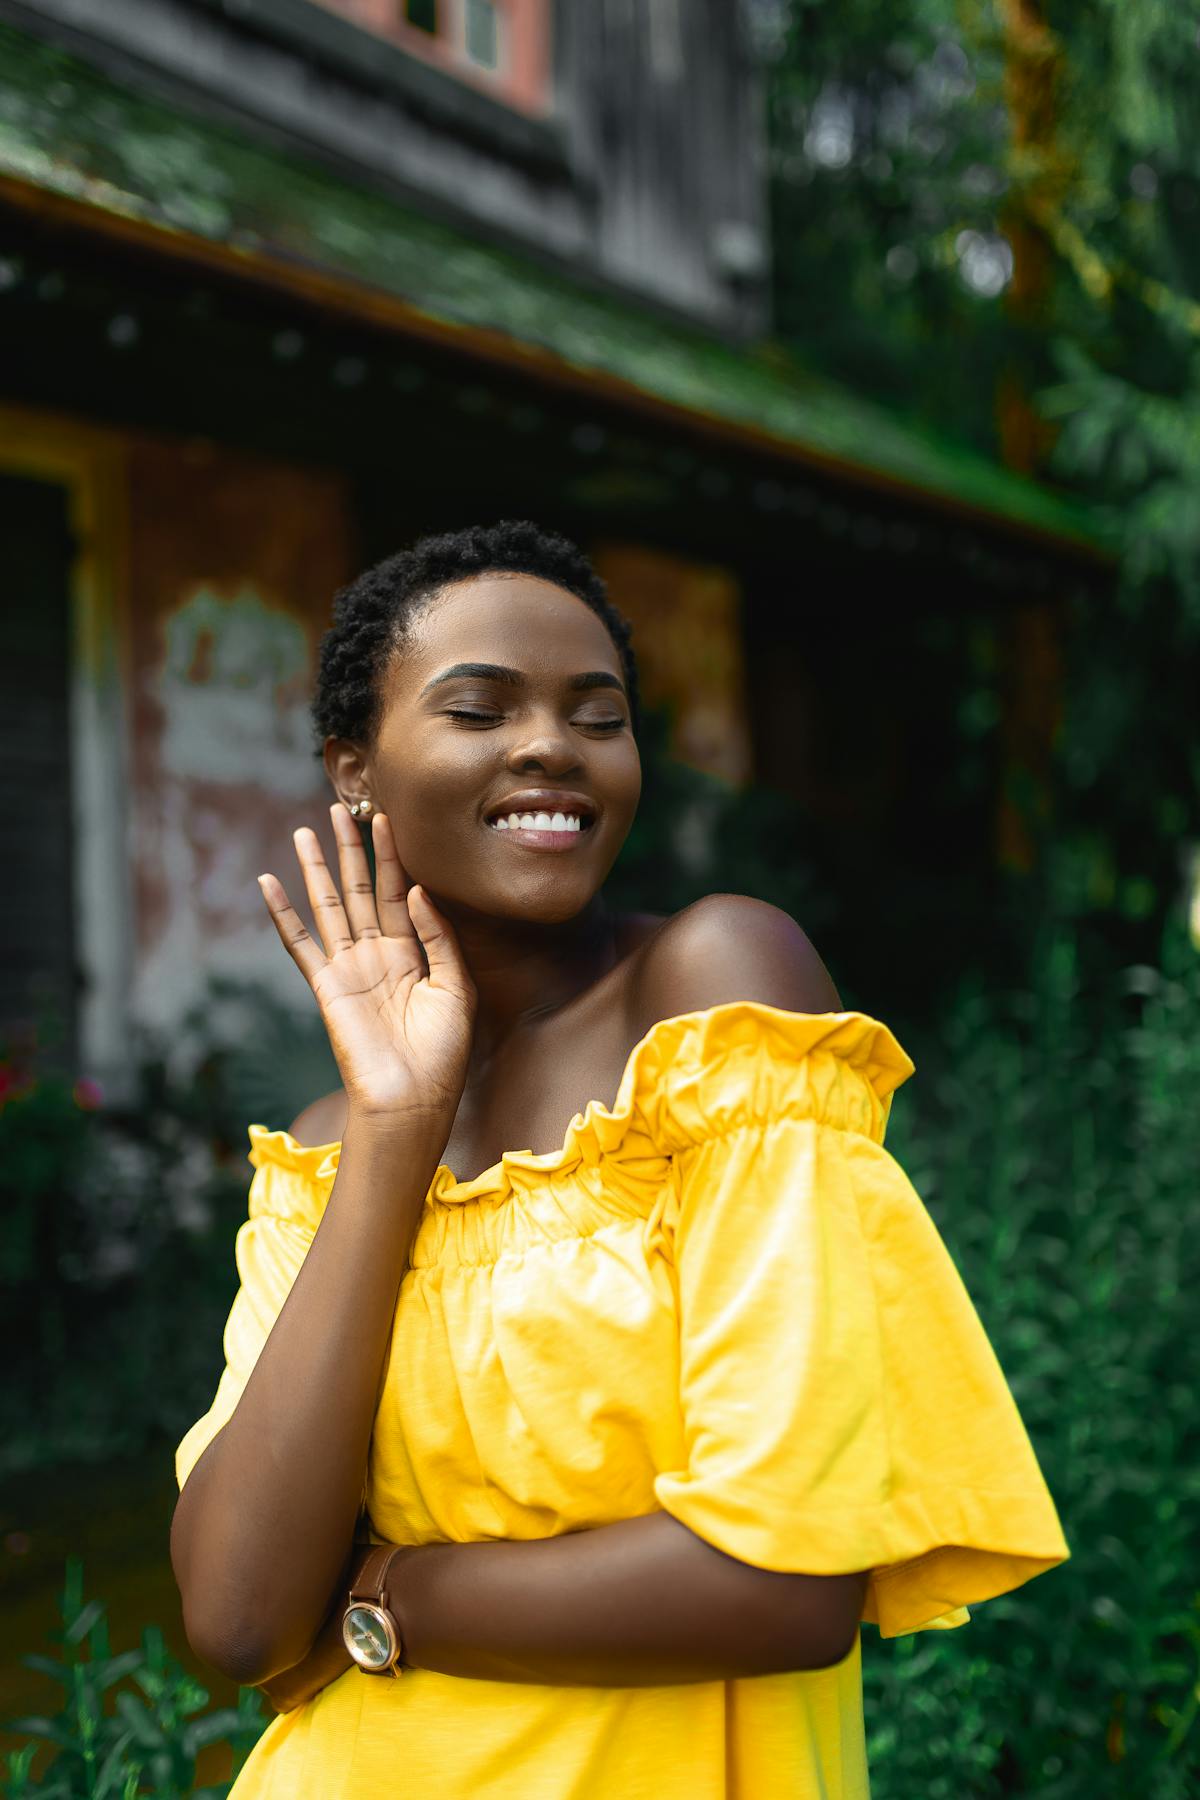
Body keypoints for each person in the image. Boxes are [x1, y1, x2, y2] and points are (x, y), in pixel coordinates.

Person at [169, 520, 1070, 1798]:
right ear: (355, 770)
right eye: (480, 708)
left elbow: (787, 1576)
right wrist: (392, 1137)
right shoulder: (326, 1150)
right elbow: (243, 1613)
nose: (550, 744)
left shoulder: (715, 999)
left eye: (598, 715)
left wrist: (382, 1591)